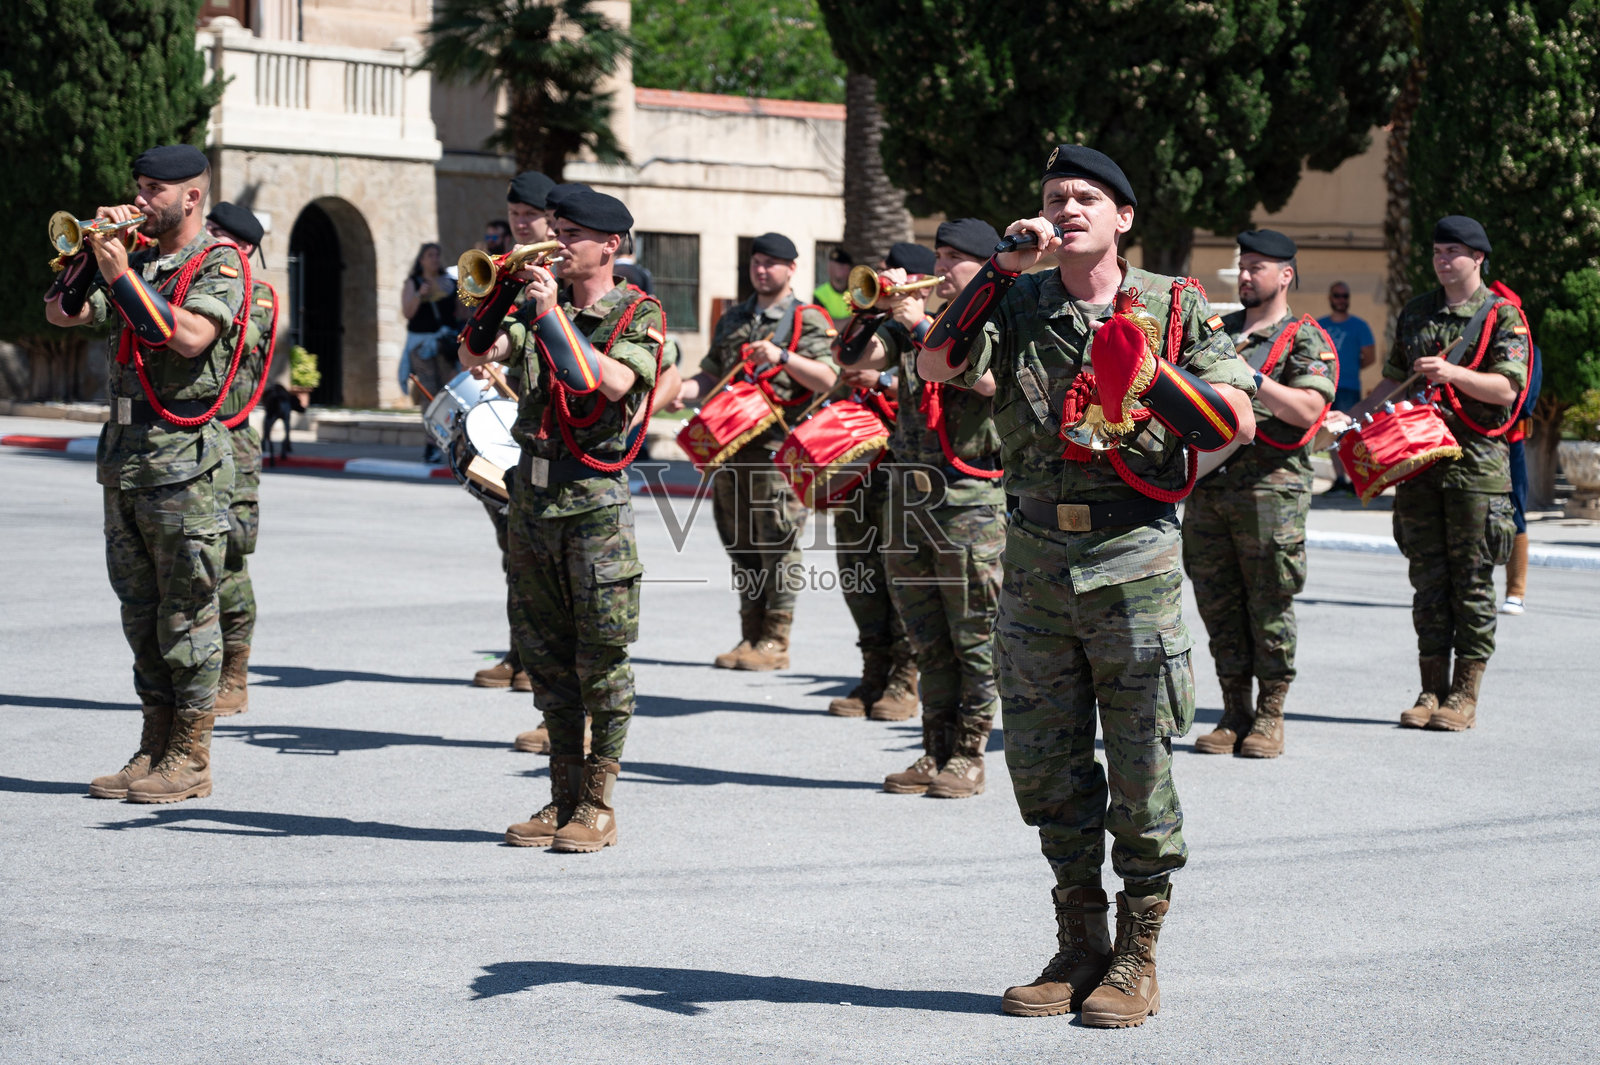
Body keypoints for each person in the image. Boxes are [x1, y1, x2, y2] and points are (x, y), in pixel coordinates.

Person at [917, 146, 1256, 1026]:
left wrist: (1151, 375)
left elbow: (1237, 417)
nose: (1066, 209)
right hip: (1033, 560)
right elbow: (937, 365)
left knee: (1140, 759)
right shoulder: (1018, 298)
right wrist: (995, 269)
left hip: (1132, 556)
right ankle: (1079, 942)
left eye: (1085, 198)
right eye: (1054, 197)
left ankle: (1138, 953)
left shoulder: (1174, 304)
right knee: (1045, 761)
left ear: (1124, 218)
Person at [458, 188, 663, 852]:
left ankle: (597, 803)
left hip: (593, 504)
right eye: (557, 229)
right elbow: (473, 352)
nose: (557, 240)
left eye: (572, 233)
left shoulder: (639, 312)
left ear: (609, 246)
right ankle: (562, 796)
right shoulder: (533, 304)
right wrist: (501, 293)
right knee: (546, 658)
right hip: (534, 501)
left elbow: (602, 383)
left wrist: (551, 317)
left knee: (600, 658)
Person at [44, 144, 249, 803]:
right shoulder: (138, 261)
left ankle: (190, 758)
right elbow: (62, 313)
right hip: (127, 459)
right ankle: (154, 745)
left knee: (186, 613)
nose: (140, 199)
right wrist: (86, 261)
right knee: (140, 612)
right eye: (138, 186)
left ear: (192, 196)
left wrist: (121, 273)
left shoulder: (218, 262)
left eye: (154, 189)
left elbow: (187, 337)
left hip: (184, 462)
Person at [1334, 216, 1530, 731]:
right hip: (1419, 464)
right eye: (1438, 251)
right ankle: (1430, 689)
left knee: (1471, 583)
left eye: (1454, 253)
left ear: (1478, 258)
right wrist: (1349, 418)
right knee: (1427, 582)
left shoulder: (1501, 317)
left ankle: (1464, 694)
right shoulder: (1417, 311)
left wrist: (1453, 373)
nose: (1444, 261)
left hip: (1477, 470)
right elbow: (1393, 383)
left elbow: (1508, 389)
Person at [838, 219, 1006, 797]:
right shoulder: (908, 324)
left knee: (973, 635)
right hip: (907, 498)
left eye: (954, 257)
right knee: (927, 633)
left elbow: (985, 383)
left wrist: (921, 323)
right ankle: (933, 749)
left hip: (968, 503)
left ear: (984, 265)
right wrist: (870, 312)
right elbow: (855, 361)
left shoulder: (998, 315)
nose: (940, 268)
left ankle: (969, 753)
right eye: (938, 255)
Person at [1184, 230, 1337, 759]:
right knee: (1218, 607)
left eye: (1258, 267)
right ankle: (1234, 711)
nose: (1246, 275)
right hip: (1207, 490)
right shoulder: (1217, 332)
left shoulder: (1305, 338)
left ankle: (1270, 714)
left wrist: (1251, 379)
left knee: (1269, 604)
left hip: (1270, 494)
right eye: (1242, 265)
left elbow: (1308, 411)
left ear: (1285, 275)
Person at [674, 232, 839, 671]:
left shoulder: (808, 318)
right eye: (756, 263)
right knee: (741, 544)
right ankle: (750, 635)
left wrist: (782, 355)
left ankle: (775, 641)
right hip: (730, 449)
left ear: (791, 269)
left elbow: (827, 378)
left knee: (778, 544)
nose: (761, 270)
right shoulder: (734, 318)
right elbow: (711, 376)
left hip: (777, 452)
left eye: (771, 263)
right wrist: (680, 392)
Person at [822, 242, 932, 724]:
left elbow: (943, 385)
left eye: (897, 273)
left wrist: (883, 383)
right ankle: (873, 670)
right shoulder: (885, 327)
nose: (887, 279)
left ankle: (905, 679)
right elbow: (844, 358)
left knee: (902, 578)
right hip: (862, 463)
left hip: (911, 468)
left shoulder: (939, 329)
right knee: (858, 571)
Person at [476, 170, 556, 706]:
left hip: (553, 430)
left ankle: (540, 664)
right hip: (513, 428)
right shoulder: (506, 273)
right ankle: (520, 650)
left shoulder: (558, 278)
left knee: (546, 558)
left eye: (529, 217)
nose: (520, 225)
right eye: (513, 218)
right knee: (515, 551)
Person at [203, 202, 280, 717]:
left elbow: (235, 338)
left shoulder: (259, 297)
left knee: (230, 560)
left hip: (232, 441)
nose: (206, 240)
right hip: (185, 440)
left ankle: (235, 671)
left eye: (217, 235)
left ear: (244, 248)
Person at [400, 242, 461, 461]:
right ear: (421, 259)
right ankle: (431, 443)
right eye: (430, 255)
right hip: (421, 346)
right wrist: (419, 294)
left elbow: (460, 312)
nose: (435, 259)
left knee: (448, 393)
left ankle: (449, 440)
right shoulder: (414, 282)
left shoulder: (449, 283)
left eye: (437, 254)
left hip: (445, 345)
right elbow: (407, 313)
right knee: (428, 392)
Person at [1317, 281, 1375, 493]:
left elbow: (1370, 357)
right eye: (1337, 296)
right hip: (1325, 387)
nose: (1341, 300)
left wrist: (1349, 368)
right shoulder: (1319, 325)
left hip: (1349, 386)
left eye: (1345, 296)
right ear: (1330, 298)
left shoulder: (1359, 325)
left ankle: (1353, 480)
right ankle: (1339, 479)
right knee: (1330, 432)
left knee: (1348, 433)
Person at [1502, 329, 1542, 615]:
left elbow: (1525, 402)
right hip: (1469, 440)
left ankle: (1516, 591)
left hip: (1509, 440)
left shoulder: (1527, 349)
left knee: (1515, 510)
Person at [812, 246, 854, 326]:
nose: (835, 269)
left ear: (849, 269)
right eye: (832, 265)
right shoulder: (819, 294)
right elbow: (821, 325)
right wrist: (851, 322)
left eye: (841, 266)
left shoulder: (857, 293)